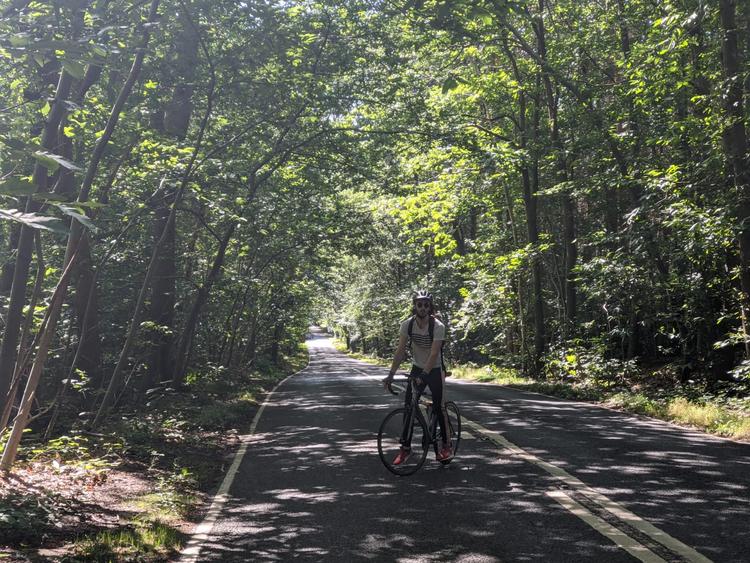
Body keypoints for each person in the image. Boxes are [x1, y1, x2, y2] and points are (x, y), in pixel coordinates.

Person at [383, 290, 452, 464]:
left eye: (426, 305)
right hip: (417, 368)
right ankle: (405, 448)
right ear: (414, 306)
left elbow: (434, 353)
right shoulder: (407, 325)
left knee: (439, 408)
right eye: (419, 304)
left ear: (430, 307)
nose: (422, 308)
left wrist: (425, 375)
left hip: (435, 369)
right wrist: (390, 375)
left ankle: (446, 446)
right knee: (409, 407)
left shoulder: (438, 326)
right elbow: (400, 352)